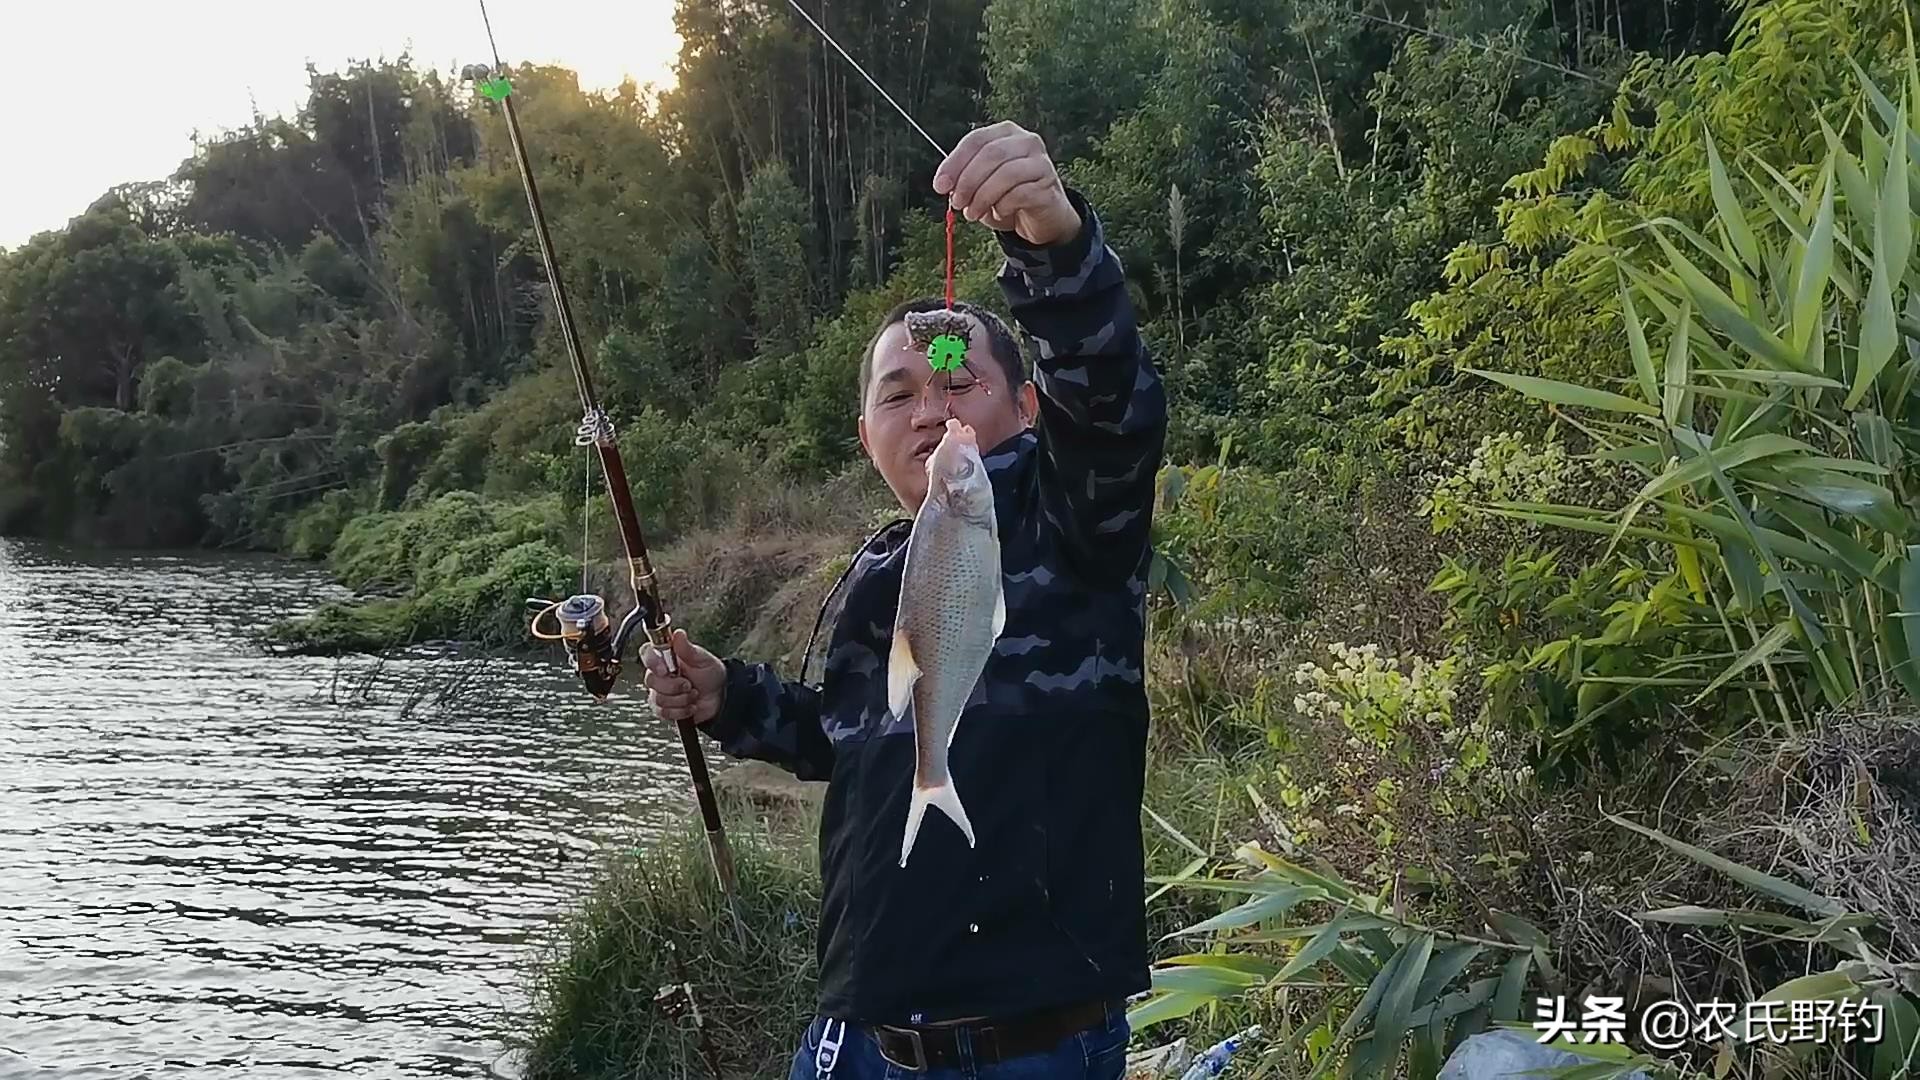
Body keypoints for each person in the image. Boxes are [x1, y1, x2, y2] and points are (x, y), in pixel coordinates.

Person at [640, 120, 1166, 1079]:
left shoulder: (1069, 523)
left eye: (960, 380)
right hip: (851, 1039)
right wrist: (733, 700)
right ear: (864, 432)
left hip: (1026, 1049)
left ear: (1030, 408)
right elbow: (859, 737)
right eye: (900, 393)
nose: (932, 407)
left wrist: (1054, 243)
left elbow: (1113, 407)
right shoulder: (884, 568)